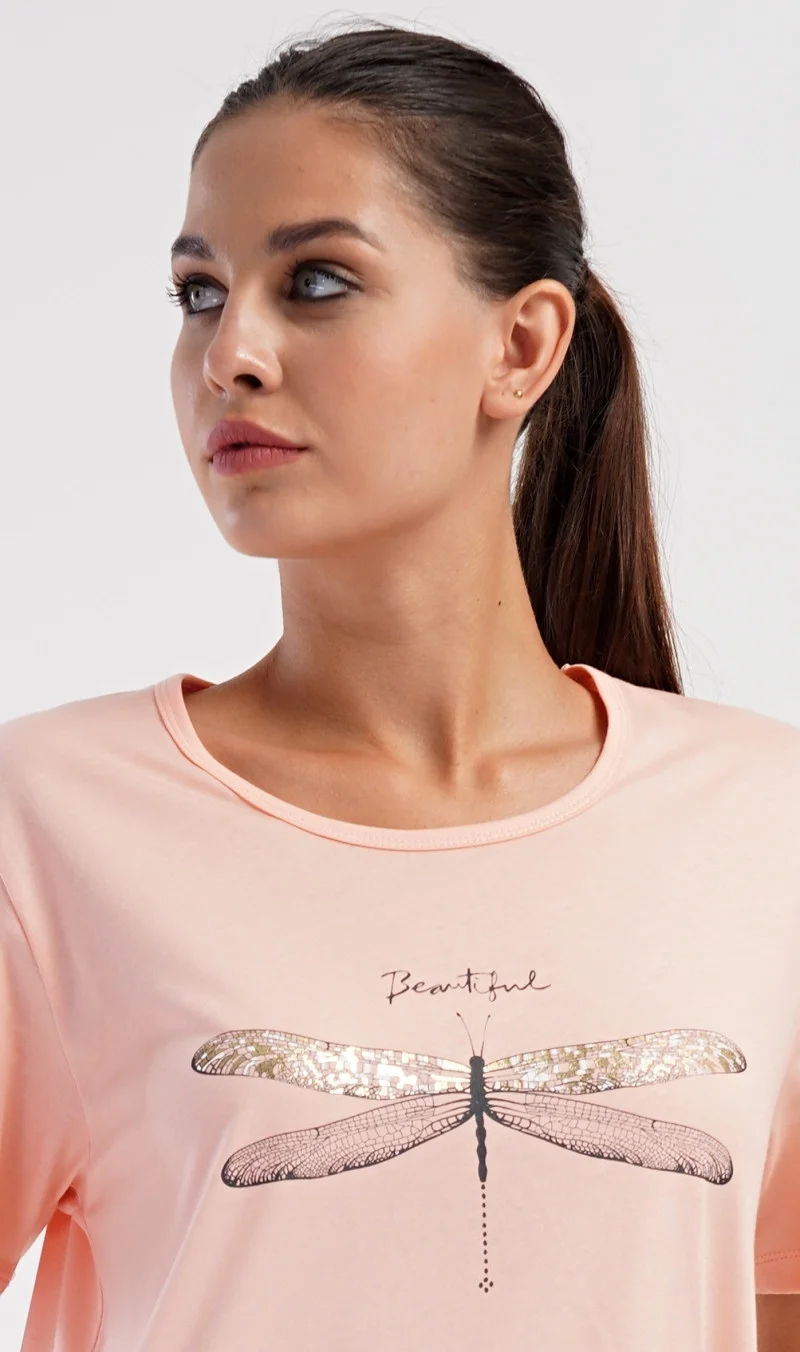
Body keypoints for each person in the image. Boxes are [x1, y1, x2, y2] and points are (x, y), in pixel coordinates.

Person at [1, 19, 798, 1352]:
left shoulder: (767, 822)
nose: (231, 351)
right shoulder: (46, 824)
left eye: (315, 281)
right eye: (198, 292)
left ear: (522, 346)